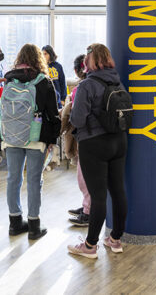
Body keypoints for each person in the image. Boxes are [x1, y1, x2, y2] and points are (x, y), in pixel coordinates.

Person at [65, 43, 127, 258]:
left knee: (98, 196)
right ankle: (116, 240)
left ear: (88, 62)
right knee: (118, 191)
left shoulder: (86, 86)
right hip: (119, 141)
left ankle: (90, 246)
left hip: (94, 143)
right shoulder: (118, 81)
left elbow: (78, 119)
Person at [3, 44, 61, 241]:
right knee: (34, 180)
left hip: (11, 137)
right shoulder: (44, 81)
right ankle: (34, 225)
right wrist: (52, 140)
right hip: (36, 138)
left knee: (13, 178)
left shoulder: (9, 79)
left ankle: (15, 222)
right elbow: (53, 114)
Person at [63, 54, 91, 227]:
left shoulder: (82, 88)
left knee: (85, 176)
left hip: (85, 137)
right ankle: (87, 206)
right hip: (94, 137)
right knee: (87, 176)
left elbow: (77, 117)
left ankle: (88, 211)